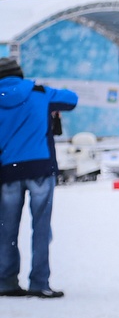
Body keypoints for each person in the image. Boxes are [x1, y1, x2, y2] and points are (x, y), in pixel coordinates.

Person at [0, 56, 78, 298]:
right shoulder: (39, 92)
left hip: (7, 170)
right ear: (20, 74)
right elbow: (71, 99)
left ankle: (6, 281)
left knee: (7, 229)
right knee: (41, 227)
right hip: (39, 168)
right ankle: (39, 282)